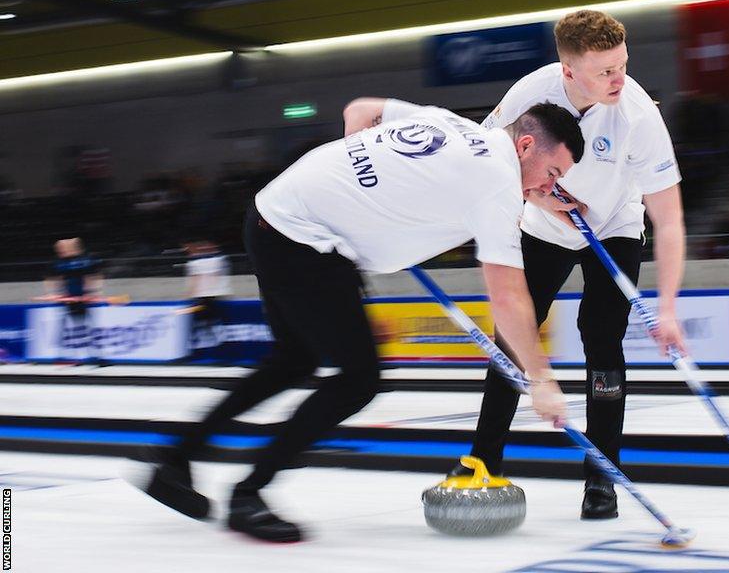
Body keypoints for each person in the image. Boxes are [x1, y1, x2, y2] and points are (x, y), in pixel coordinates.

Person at [138, 99, 584, 543]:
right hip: (303, 240)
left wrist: (363, 182)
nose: (550, 186)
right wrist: (542, 380)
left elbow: (361, 109)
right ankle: (248, 493)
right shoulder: (497, 182)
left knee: (294, 361)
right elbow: (507, 296)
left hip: (271, 214)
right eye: (553, 174)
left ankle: (175, 462)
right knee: (358, 379)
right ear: (525, 145)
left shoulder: (449, 123)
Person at [453, 10, 687, 521]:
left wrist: (667, 309)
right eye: (604, 72)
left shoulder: (639, 116)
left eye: (622, 65)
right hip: (544, 228)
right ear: (567, 71)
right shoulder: (528, 95)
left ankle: (602, 479)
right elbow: (490, 165)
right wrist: (542, 200)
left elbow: (668, 219)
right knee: (513, 338)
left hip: (615, 226)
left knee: (602, 341)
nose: (619, 80)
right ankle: (481, 462)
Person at [40, 238, 105, 365]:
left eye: (64, 248)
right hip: (67, 299)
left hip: (82, 298)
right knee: (69, 327)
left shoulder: (85, 260)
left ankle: (95, 355)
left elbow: (94, 276)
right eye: (60, 249)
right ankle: (73, 356)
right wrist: (53, 293)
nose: (62, 251)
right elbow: (50, 278)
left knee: (87, 326)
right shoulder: (59, 263)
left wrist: (93, 292)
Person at [183, 240, 232, 358]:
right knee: (207, 321)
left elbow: (202, 279)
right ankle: (214, 344)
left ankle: (218, 344)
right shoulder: (200, 262)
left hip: (207, 296)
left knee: (208, 320)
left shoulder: (208, 261)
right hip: (205, 296)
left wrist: (192, 293)